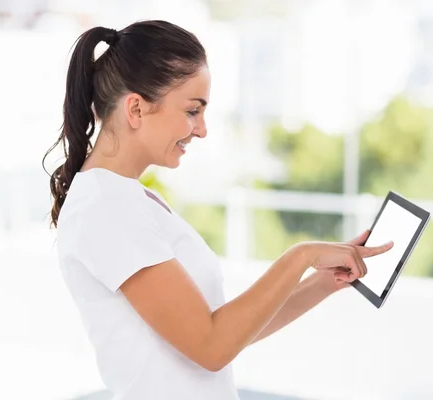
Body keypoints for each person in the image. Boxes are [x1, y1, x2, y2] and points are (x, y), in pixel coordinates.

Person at [44, 20, 393, 400]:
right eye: (193, 111)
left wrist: (325, 280)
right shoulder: (106, 207)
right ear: (136, 109)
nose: (202, 129)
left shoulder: (127, 200)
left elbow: (226, 332)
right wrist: (302, 255)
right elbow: (211, 347)